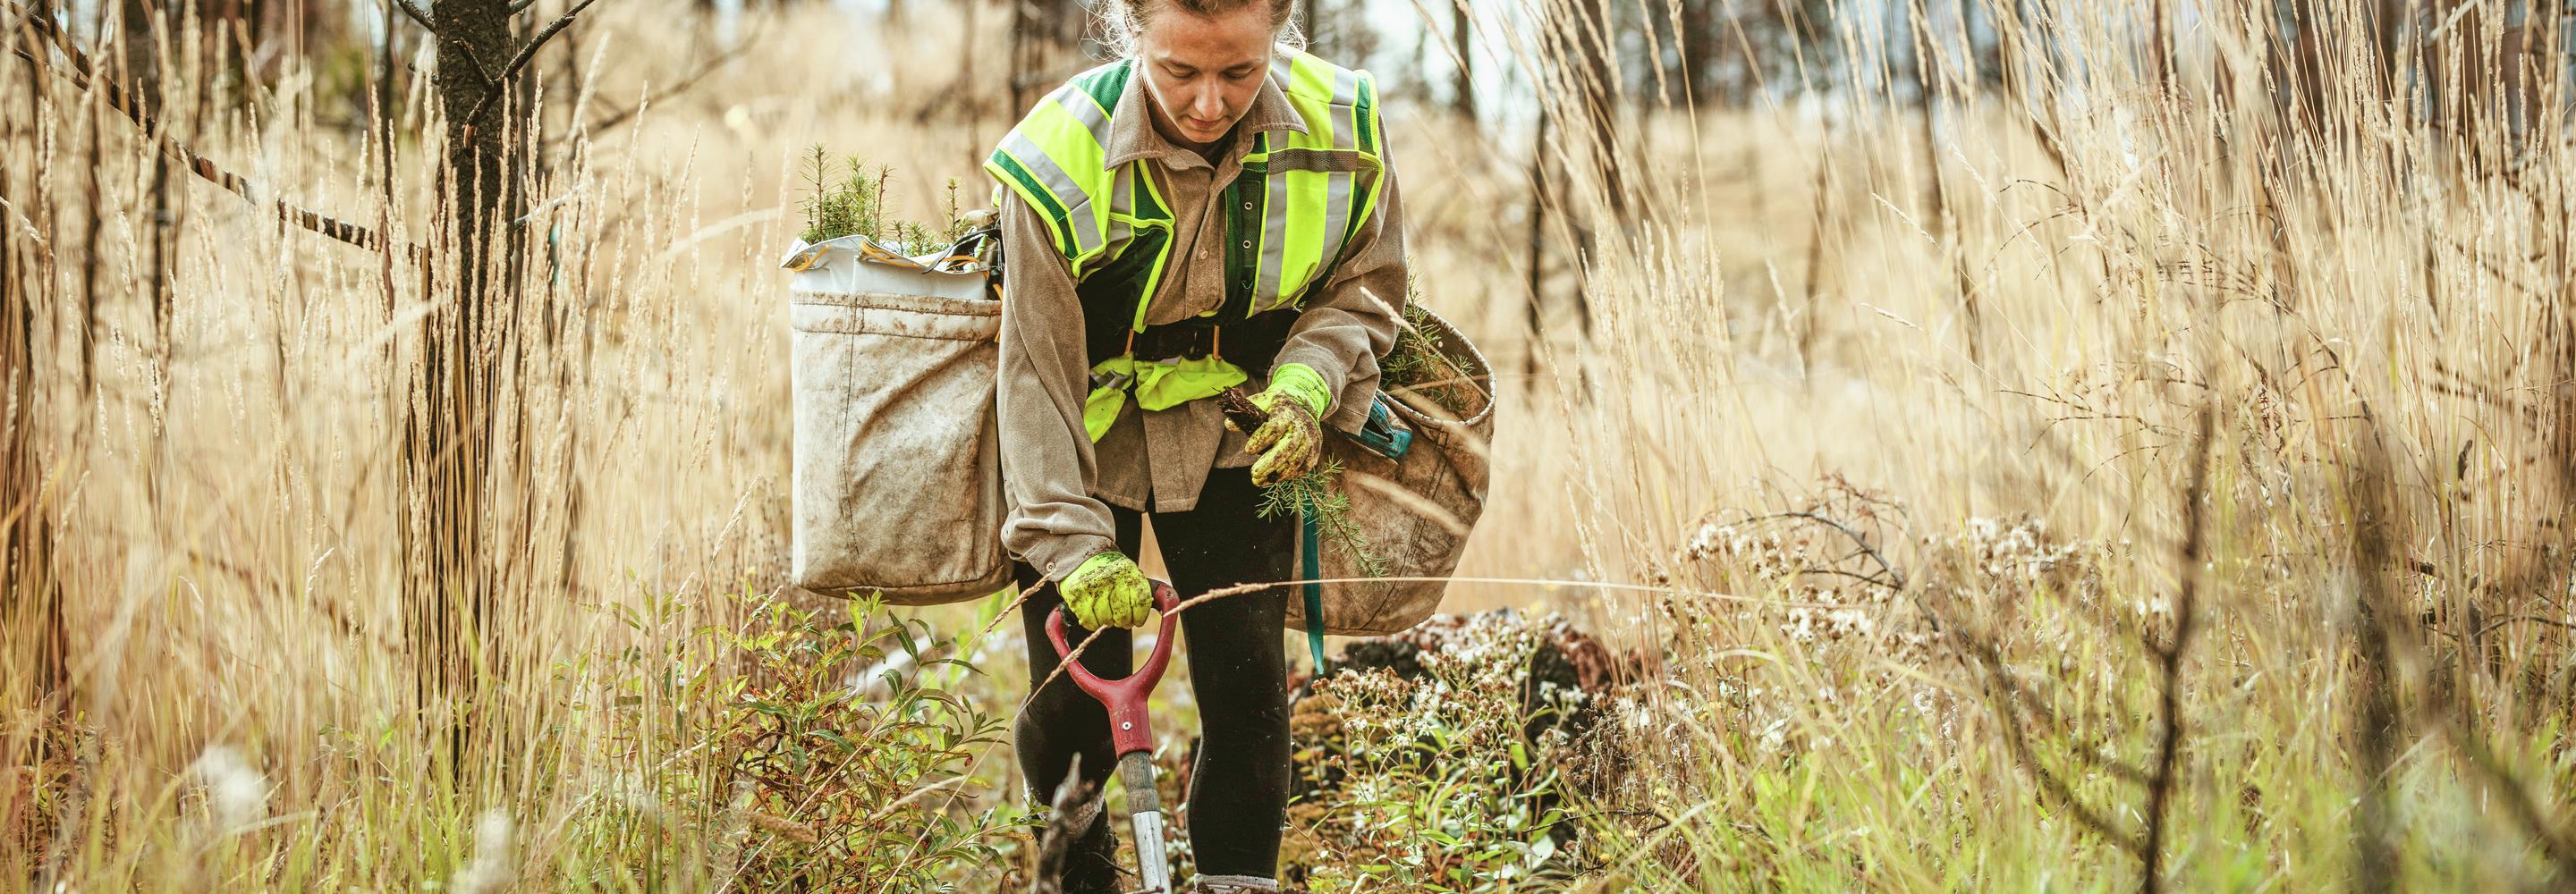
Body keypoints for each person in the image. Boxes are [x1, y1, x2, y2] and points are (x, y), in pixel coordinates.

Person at [979, 0, 1407, 890]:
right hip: (1083, 439)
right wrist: (1071, 545)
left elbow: (1368, 286)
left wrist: (1310, 381)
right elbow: (1034, 375)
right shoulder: (1055, 157)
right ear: (1131, 30)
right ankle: (1077, 875)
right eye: (1179, 72)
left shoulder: (1345, 130)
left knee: (1250, 688)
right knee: (1070, 705)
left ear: (1278, 34)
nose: (1209, 104)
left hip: (1239, 432)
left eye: (1239, 72)